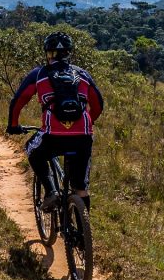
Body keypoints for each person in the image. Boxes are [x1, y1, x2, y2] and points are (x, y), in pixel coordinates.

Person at [6, 31, 103, 212]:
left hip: (52, 137)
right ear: (68, 53)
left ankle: (51, 191)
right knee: (81, 187)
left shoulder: (38, 74)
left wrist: (13, 125)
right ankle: (83, 226)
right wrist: (88, 123)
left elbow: (18, 101)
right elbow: (98, 104)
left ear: (48, 53)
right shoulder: (82, 74)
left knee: (31, 149)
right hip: (83, 137)